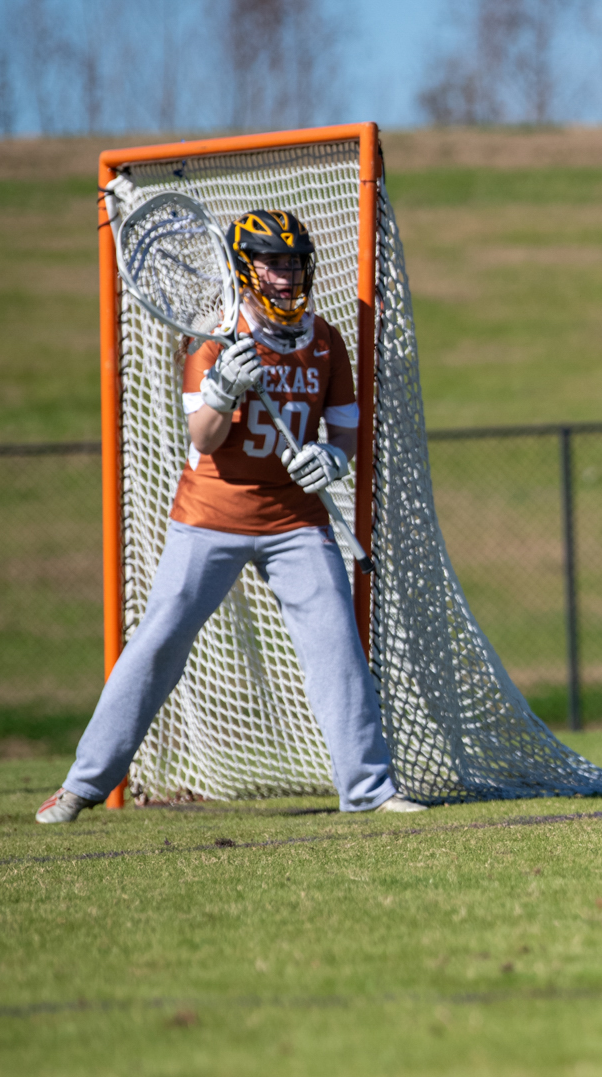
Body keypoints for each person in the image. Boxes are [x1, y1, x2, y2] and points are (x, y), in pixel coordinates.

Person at [37, 210, 423, 823]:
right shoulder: (215, 342)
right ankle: (82, 785)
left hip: (297, 522)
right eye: (275, 261)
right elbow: (206, 437)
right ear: (247, 268)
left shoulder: (326, 339)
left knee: (337, 649)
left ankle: (369, 791)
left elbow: (344, 435)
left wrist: (329, 457)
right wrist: (221, 389)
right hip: (211, 517)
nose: (287, 273)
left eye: (294, 261)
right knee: (159, 641)